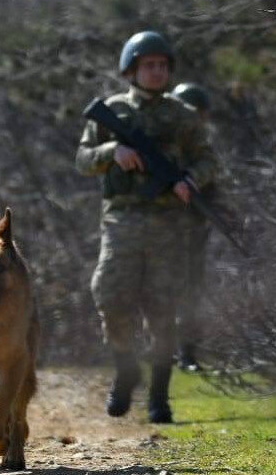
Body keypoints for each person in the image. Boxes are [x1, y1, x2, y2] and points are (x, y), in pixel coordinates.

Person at [75, 32, 217, 424]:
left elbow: (208, 160)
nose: (156, 72)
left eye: (162, 65)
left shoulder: (182, 115)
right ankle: (125, 368)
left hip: (169, 222)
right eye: (148, 65)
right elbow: (83, 159)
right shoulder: (113, 111)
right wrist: (112, 153)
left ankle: (159, 396)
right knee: (109, 294)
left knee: (162, 308)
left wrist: (191, 180)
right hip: (122, 219)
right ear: (132, 69)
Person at [171, 82, 213, 371]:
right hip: (159, 229)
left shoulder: (202, 151)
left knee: (191, 292)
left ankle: (187, 352)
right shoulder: (165, 146)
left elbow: (213, 183)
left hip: (193, 230)